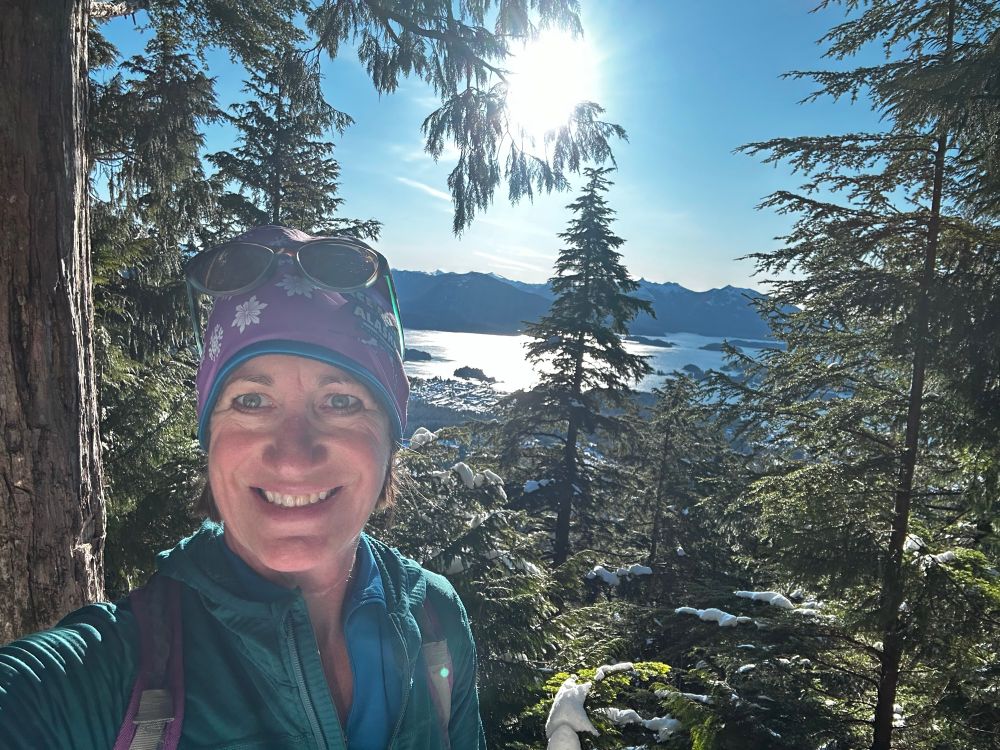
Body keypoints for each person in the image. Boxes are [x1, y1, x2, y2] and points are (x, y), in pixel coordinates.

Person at [0, 225, 487, 749]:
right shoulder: (114, 673)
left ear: (390, 439)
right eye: (251, 401)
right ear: (209, 437)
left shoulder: (434, 620)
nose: (293, 455)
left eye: (342, 402)